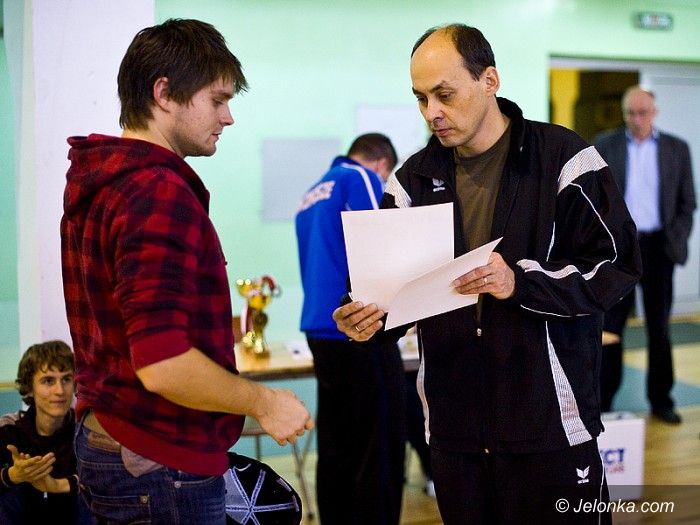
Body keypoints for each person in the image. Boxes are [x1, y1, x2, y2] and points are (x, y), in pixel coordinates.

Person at [332, 24, 642, 524]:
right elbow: (384, 291)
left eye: (444, 94)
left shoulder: (563, 157)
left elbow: (616, 264)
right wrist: (364, 319)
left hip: (549, 426)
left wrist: (519, 282)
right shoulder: (412, 181)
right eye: (421, 98)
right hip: (455, 434)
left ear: (489, 80)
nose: (432, 112)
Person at [60, 19, 312, 524]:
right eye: (217, 100)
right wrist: (263, 402)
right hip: (157, 461)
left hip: (111, 438)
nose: (228, 117)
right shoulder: (156, 191)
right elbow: (164, 363)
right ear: (164, 93)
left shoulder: (104, 182)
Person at [295, 133, 406, 524]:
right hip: (360, 328)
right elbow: (383, 242)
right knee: (380, 445)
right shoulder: (359, 177)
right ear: (381, 165)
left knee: (337, 441)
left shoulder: (311, 193)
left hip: (320, 327)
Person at [594, 86, 696, 424]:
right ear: (624, 114)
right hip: (619, 250)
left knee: (659, 328)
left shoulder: (676, 149)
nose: (637, 120)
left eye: (643, 113)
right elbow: (592, 198)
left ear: (655, 113)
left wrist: (675, 239)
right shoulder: (605, 145)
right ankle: (603, 401)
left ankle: (661, 400)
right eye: (631, 113)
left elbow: (687, 202)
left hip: (658, 248)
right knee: (611, 328)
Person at [0, 340, 92, 524]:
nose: (60, 390)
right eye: (48, 381)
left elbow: (107, 484)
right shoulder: (9, 428)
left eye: (66, 379)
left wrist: (58, 485)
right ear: (29, 388)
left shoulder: (86, 430)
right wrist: (12, 476)